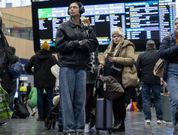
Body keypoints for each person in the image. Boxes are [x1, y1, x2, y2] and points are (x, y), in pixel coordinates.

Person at [55, 1, 98, 134]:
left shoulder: (87, 28)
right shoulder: (63, 27)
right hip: (67, 66)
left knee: (80, 100)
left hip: (81, 67)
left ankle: (79, 128)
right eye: (70, 8)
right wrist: (78, 43)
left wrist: (85, 43)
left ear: (81, 10)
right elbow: (60, 46)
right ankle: (69, 128)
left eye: (75, 7)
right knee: (67, 101)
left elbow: (94, 43)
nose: (72, 9)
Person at [99, 27, 137, 132]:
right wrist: (102, 63)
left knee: (120, 102)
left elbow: (131, 60)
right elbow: (103, 56)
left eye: (118, 36)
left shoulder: (128, 45)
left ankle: (120, 124)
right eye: (113, 36)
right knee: (114, 101)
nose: (115, 38)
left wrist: (116, 59)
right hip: (112, 77)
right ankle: (117, 123)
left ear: (122, 37)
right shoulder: (110, 47)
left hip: (123, 77)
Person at [24, 41, 57, 121]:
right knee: (50, 98)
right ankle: (52, 116)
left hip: (38, 80)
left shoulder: (34, 57)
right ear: (48, 48)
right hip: (49, 80)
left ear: (41, 48)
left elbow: (26, 66)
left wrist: (32, 73)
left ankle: (41, 116)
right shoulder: (52, 57)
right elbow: (56, 67)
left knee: (40, 98)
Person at [136, 40, 165, 127]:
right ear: (154, 45)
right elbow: (163, 66)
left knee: (146, 99)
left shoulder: (141, 55)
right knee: (157, 99)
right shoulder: (159, 55)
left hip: (145, 80)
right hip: (156, 79)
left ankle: (147, 119)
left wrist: (140, 77)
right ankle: (159, 119)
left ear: (146, 46)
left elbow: (137, 68)